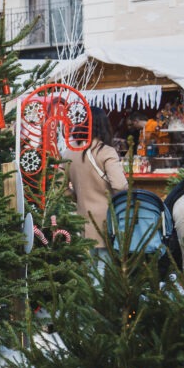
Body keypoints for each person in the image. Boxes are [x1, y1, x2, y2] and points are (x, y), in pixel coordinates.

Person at [64, 106, 129, 260]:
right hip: (106, 221)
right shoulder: (106, 152)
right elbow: (120, 185)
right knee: (102, 269)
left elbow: (61, 188)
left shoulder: (68, 152)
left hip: (81, 220)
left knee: (86, 269)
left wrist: (77, 197)